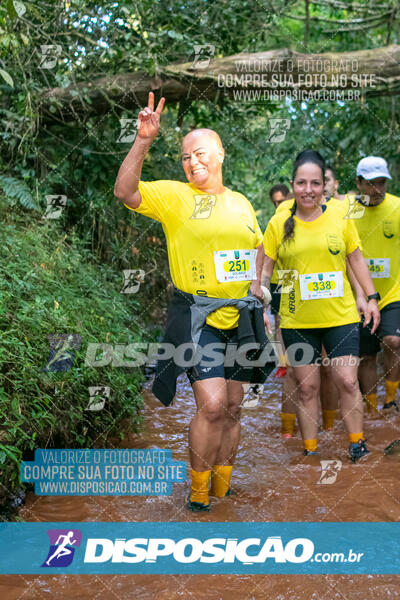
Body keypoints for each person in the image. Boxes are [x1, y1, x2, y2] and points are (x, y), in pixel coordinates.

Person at [114, 92, 273, 512]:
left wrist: (261, 290)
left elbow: (254, 250)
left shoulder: (241, 203)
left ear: (220, 154)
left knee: (236, 406)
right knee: (214, 404)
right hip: (198, 319)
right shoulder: (175, 197)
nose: (192, 162)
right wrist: (144, 139)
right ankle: (198, 493)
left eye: (199, 153)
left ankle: (223, 486)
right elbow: (124, 190)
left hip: (242, 318)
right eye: (185, 156)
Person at [262, 150, 380, 461]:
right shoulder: (278, 223)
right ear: (293, 184)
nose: (309, 190)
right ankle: (310, 452)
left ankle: (357, 443)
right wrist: (263, 302)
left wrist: (370, 298)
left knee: (346, 379)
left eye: (315, 183)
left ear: (324, 187)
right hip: (298, 320)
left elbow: (355, 258)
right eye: (302, 183)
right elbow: (265, 267)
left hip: (340, 316)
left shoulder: (340, 216)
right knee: (307, 388)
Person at [352, 157, 400, 413]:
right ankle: (370, 409)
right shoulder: (347, 212)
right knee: (366, 355)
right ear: (358, 183)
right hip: (358, 295)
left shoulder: (397, 208)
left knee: (393, 341)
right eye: (371, 184)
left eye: (382, 183)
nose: (377, 190)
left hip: (393, 292)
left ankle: (390, 400)